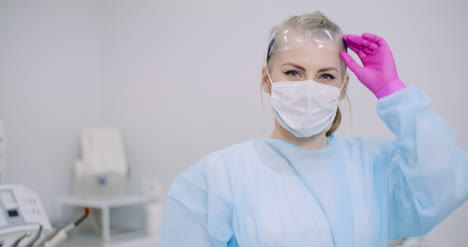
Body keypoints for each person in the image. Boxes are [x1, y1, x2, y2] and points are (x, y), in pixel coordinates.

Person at [158, 11, 467, 247]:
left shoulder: (374, 167)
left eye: (326, 76)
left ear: (343, 87)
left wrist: (393, 92)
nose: (309, 88)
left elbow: (448, 180)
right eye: (293, 72)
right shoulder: (213, 179)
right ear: (267, 80)